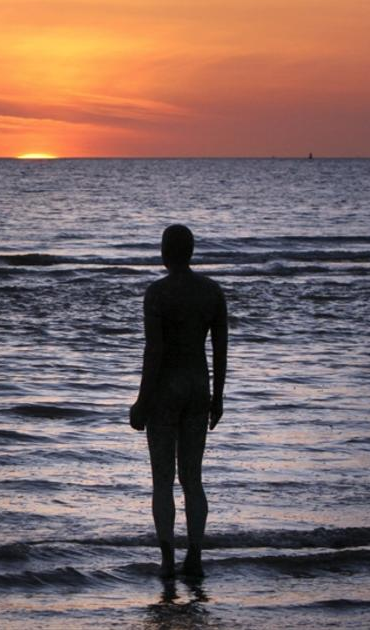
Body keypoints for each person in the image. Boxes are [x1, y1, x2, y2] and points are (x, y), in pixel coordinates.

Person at [130, 224, 228, 578]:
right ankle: (196, 555)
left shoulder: (156, 294)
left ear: (164, 252)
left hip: (165, 390)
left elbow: (154, 349)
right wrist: (218, 397)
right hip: (198, 386)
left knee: (162, 479)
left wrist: (141, 401)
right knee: (192, 478)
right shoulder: (212, 292)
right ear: (191, 251)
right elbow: (220, 349)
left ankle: (168, 559)